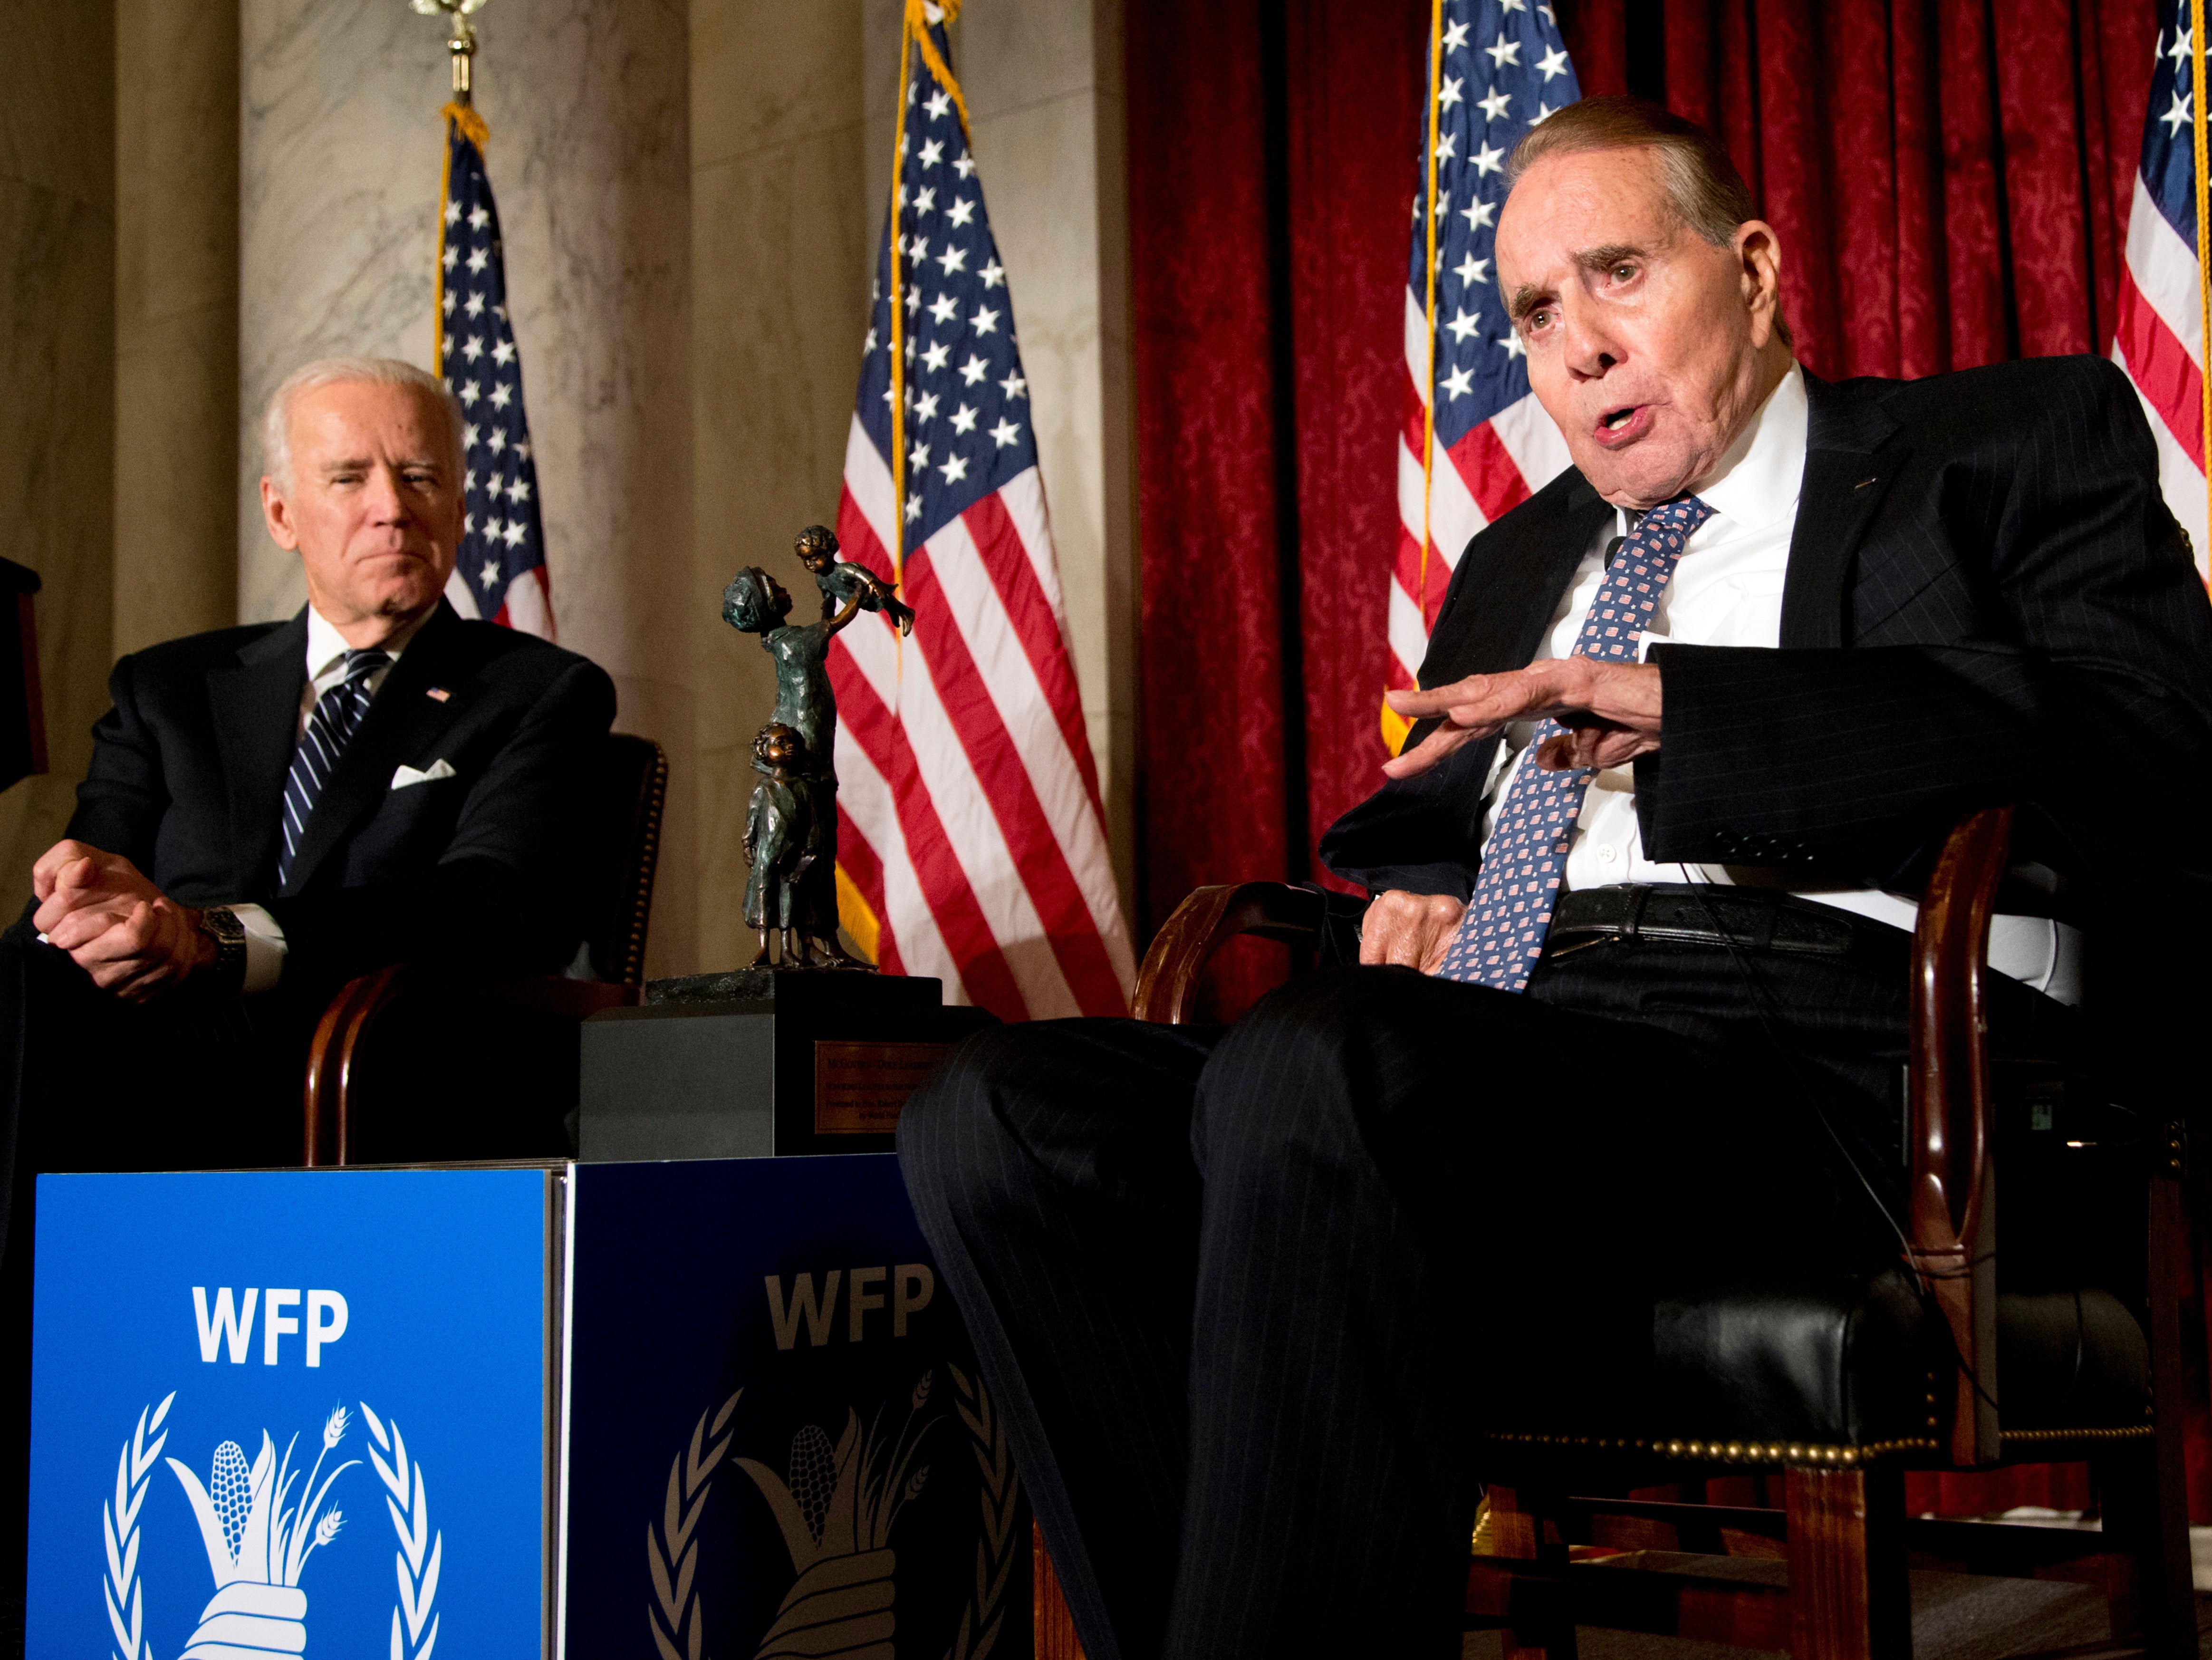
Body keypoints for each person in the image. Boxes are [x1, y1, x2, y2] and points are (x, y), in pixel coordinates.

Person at [895, 98, 2212, 1660]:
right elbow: (1416, 846)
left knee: (1319, 1067)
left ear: (1758, 269)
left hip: (1826, 1049)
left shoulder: (1997, 443)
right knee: (995, 1115)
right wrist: (1419, 907)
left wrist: (1692, 710)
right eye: (1535, 309)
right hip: (1522, 1039)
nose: (1577, 345)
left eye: (1619, 275)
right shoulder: (1517, 557)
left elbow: (2152, 733)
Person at [0, 356, 616, 1640]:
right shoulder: (165, 688)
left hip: (370, 1063)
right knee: (24, 980)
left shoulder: (537, 695)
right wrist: (84, 898)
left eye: (424, 474)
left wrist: (218, 936)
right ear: (285, 512)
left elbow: (494, 910)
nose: (394, 505)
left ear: (459, 500)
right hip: (130, 1052)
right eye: (351, 476)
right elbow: (99, 860)